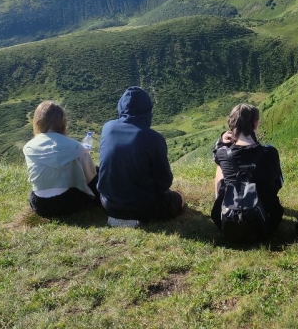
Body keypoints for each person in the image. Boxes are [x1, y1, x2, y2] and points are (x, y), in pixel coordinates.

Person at [97, 86, 183, 226]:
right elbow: (164, 182)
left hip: (109, 205)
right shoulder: (154, 138)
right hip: (142, 208)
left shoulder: (107, 128)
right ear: (148, 111)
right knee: (178, 198)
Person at [212, 103, 284, 238]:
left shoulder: (222, 153)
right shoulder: (270, 152)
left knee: (220, 167)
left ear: (231, 126)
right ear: (256, 124)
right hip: (265, 225)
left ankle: (224, 206)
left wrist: (222, 142)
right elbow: (278, 184)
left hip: (228, 225)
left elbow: (215, 154)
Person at [23, 101, 99, 217]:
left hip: (40, 205)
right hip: (69, 203)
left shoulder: (28, 147)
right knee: (96, 171)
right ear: (62, 121)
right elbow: (91, 178)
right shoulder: (76, 147)